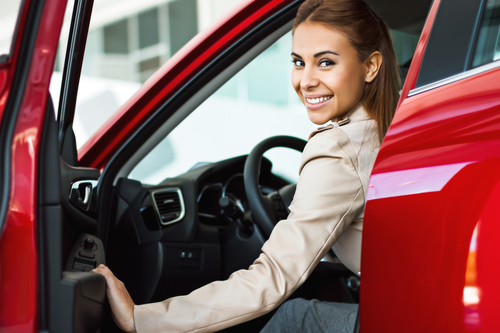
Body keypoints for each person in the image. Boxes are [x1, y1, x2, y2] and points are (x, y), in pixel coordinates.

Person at [92, 0, 399, 332]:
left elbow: (273, 278)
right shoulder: (391, 127)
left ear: (370, 67)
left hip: (410, 317)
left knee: (293, 319)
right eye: (298, 62)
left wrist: (141, 318)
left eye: (325, 62)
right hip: (428, 304)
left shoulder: (338, 148)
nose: (305, 81)